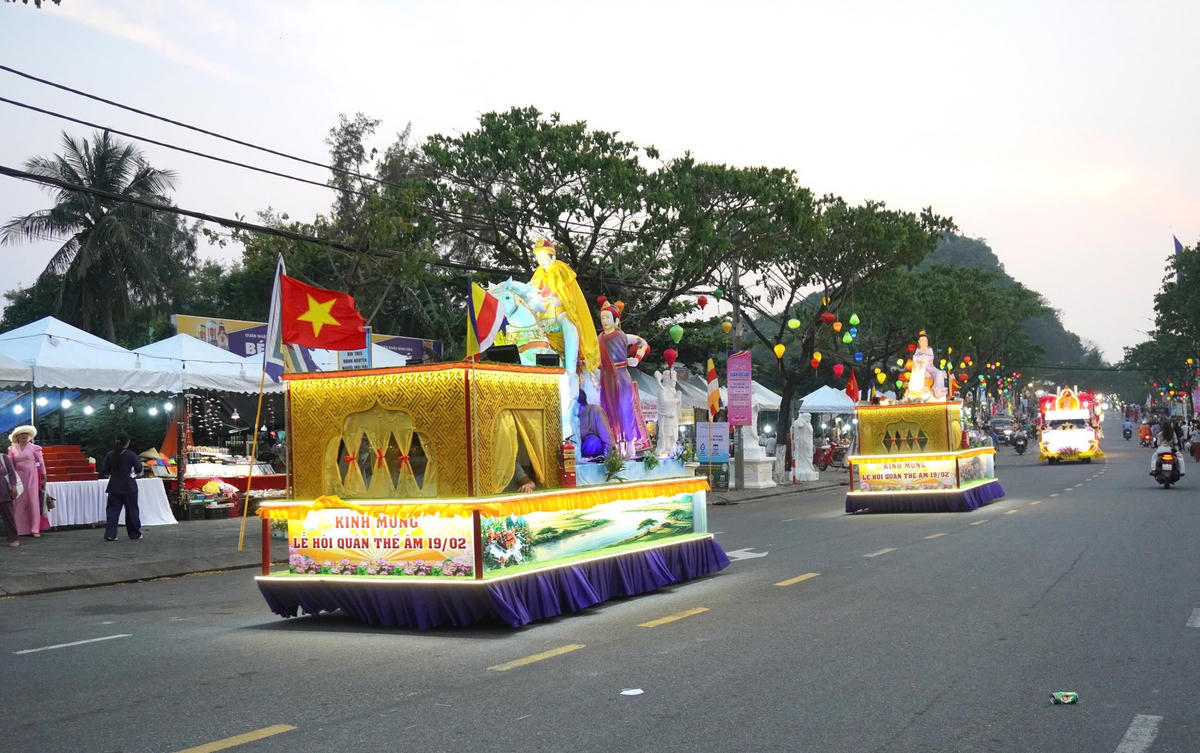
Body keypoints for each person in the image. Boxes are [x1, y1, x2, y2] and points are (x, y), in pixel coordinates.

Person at [597, 300, 650, 456]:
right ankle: (617, 446)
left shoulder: (623, 336)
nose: (604, 321)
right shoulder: (598, 338)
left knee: (624, 409)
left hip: (621, 377)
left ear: (616, 320)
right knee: (608, 411)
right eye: (602, 318)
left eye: (607, 317)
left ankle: (630, 443)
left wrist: (637, 359)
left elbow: (643, 343)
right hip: (605, 379)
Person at [99, 432, 142, 541]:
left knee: (112, 511)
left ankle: (110, 534)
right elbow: (138, 468)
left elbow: (104, 470)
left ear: (116, 441)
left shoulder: (110, 455)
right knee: (132, 510)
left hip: (114, 486)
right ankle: (134, 534)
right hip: (129, 486)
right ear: (127, 443)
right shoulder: (131, 455)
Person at [7, 424, 47, 538]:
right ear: (17, 437)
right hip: (18, 476)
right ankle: (19, 529)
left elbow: (41, 461)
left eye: (26, 434)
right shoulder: (12, 449)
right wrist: (10, 476)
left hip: (32, 475)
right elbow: (10, 463)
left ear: (29, 436)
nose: (24, 436)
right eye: (21, 435)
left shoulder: (35, 448)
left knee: (32, 500)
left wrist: (44, 475)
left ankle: (35, 529)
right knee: (18, 501)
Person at [902, 331, 946, 403]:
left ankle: (937, 392)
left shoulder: (929, 349)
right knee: (919, 373)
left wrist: (922, 358)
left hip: (930, 367)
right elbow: (915, 359)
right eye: (922, 340)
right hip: (921, 369)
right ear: (919, 342)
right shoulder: (918, 350)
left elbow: (930, 358)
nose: (924, 342)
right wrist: (921, 359)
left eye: (925, 340)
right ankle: (917, 393)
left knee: (939, 373)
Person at [0, 451, 21, 547]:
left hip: (4, 492)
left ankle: (13, 538)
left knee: (9, 517)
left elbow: (12, 473)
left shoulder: (3, 457)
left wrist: (13, 486)